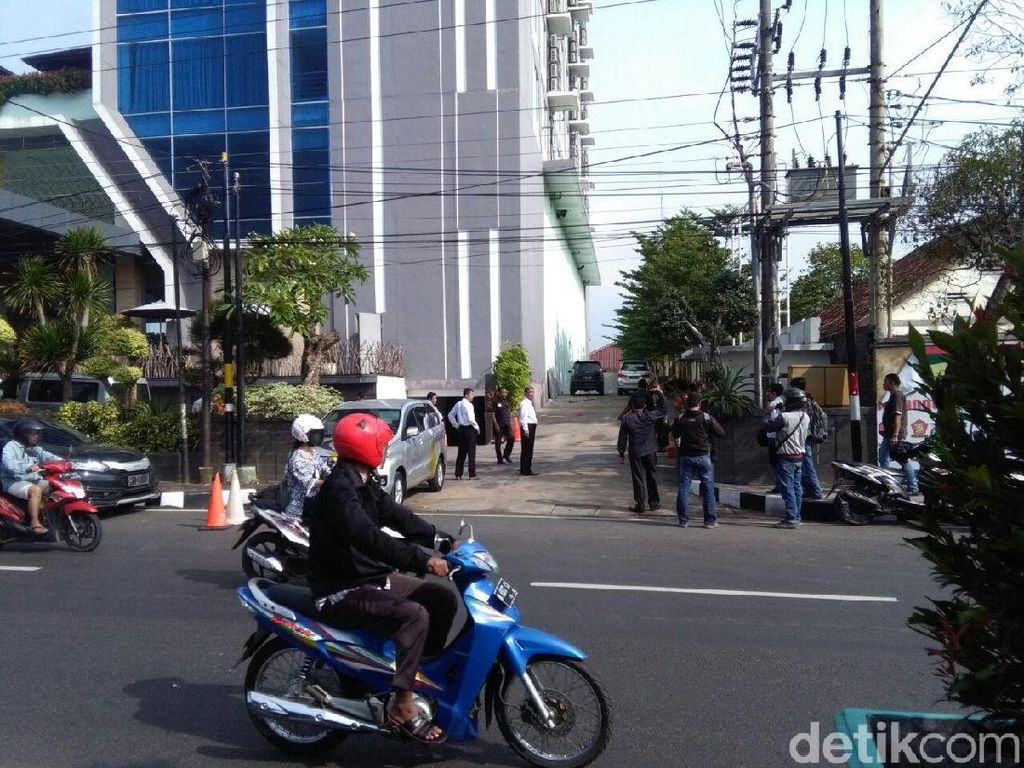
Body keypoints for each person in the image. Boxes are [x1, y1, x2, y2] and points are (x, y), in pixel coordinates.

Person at [307, 412, 458, 744]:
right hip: (341, 588)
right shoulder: (339, 489)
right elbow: (368, 537)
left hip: (370, 578)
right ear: (365, 448)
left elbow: (397, 516)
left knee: (442, 599)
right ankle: (402, 706)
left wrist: (441, 540)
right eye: (381, 444)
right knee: (414, 616)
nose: (384, 449)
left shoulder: (364, 482)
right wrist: (423, 560)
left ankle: (417, 675)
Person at [0, 419, 62, 534]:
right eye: (33, 434)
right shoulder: (11, 447)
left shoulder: (34, 449)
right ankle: (34, 522)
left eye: (38, 434)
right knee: (35, 490)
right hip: (13, 482)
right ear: (23, 434)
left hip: (31, 480)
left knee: (56, 487)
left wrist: (65, 462)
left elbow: (48, 456)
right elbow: (8, 463)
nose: (37, 437)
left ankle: (47, 516)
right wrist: (28, 467)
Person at [673, 393, 725, 528]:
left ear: (686, 404)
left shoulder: (680, 419)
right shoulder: (706, 418)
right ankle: (709, 521)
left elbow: (674, 434)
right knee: (708, 488)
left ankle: (683, 520)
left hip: (686, 456)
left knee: (684, 488)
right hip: (703, 456)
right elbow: (720, 432)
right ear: (699, 404)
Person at [762, 388, 810, 529]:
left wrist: (771, 412)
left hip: (786, 457)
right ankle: (796, 515)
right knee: (796, 488)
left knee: (787, 489)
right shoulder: (805, 416)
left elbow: (768, 427)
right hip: (799, 457)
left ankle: (791, 518)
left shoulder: (785, 417)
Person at [617, 390, 664, 513]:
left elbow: (622, 438)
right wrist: (660, 394)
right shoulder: (650, 416)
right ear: (644, 405)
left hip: (636, 452)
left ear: (632, 405)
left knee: (638, 477)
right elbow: (663, 410)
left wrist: (621, 453)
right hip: (650, 451)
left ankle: (640, 503)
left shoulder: (627, 420)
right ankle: (653, 502)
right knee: (651, 476)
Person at [280, 414, 331, 518]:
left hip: (314, 499)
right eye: (315, 434)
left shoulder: (313, 452)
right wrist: (330, 483)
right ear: (303, 435)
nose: (319, 437)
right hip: (300, 505)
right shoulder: (297, 457)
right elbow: (308, 481)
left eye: (319, 433)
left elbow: (325, 469)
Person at [879, 372, 919, 494]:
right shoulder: (893, 396)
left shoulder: (897, 396)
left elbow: (897, 416)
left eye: (885, 382)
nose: (883, 384)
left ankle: (910, 486)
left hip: (894, 435)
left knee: (900, 459)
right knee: (885, 458)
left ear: (892, 383)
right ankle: (891, 485)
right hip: (890, 434)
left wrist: (895, 435)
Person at [790, 377, 824, 500]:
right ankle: (809, 490)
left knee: (807, 464)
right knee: (803, 464)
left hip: (805, 435)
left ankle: (816, 490)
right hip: (806, 435)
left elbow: (802, 418)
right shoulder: (808, 398)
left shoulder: (803, 401)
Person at [447, 388, 479, 480]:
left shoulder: (458, 404)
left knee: (461, 452)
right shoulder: (468, 405)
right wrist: (476, 427)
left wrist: (456, 425)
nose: (473, 396)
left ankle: (458, 474)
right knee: (471, 453)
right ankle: (471, 474)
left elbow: (450, 415)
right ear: (466, 395)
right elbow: (470, 418)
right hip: (469, 429)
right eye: (471, 395)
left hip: (461, 430)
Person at [763, 383, 785, 492]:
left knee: (777, 463)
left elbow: (774, 422)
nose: (767, 394)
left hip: (774, 438)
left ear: (774, 393)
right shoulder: (780, 403)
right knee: (777, 463)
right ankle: (779, 485)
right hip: (776, 438)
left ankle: (779, 486)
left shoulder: (774, 404)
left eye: (769, 391)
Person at [518, 385, 539, 476]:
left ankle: (524, 468)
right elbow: (523, 418)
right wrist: (526, 430)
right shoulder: (525, 403)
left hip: (531, 426)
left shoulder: (529, 403)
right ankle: (526, 469)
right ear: (525, 393)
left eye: (532, 392)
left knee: (528, 449)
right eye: (530, 392)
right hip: (528, 427)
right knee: (527, 449)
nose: (532, 394)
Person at [491, 387, 515, 464]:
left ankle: (506, 455)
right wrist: (496, 425)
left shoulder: (507, 402)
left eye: (505, 392)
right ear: (499, 393)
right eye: (503, 392)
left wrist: (511, 422)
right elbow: (493, 414)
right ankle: (499, 459)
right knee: (498, 442)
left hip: (507, 424)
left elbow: (509, 413)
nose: (504, 394)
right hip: (498, 425)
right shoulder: (495, 402)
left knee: (511, 438)